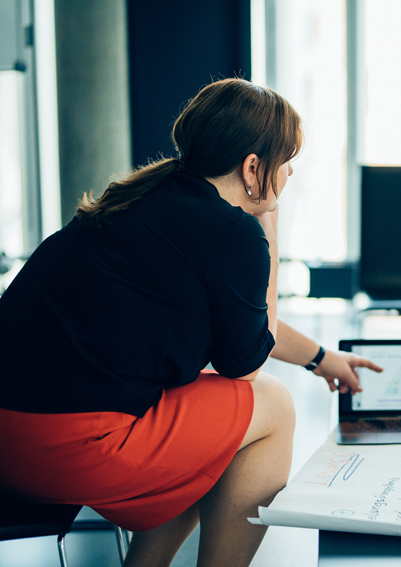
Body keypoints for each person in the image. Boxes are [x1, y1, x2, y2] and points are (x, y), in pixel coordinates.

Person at [0, 78, 381, 567]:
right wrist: (268, 232)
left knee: (208, 410)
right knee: (272, 405)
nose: (288, 175)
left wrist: (322, 359)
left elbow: (242, 322)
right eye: (286, 162)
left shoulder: (143, 198)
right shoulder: (231, 233)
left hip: (11, 440)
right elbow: (244, 366)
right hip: (66, 449)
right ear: (252, 167)